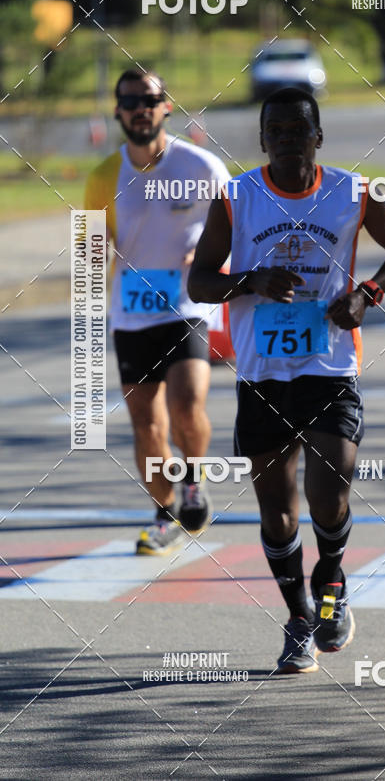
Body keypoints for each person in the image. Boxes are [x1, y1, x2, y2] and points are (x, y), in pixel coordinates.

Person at [188, 86, 385, 673]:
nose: (288, 140)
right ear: (263, 140)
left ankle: (331, 581)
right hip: (262, 374)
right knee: (277, 513)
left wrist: (367, 294)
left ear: (318, 137)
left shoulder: (352, 191)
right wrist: (250, 281)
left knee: (330, 493)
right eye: (277, 132)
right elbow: (199, 283)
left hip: (329, 366)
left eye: (298, 130)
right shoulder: (236, 197)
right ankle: (298, 619)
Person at [85, 68, 230, 555]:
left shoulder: (202, 166)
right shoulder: (103, 177)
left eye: (149, 100)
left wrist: (211, 257)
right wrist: (93, 253)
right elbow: (89, 250)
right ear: (117, 112)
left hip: (188, 305)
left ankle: (194, 479)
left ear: (166, 106)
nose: (139, 110)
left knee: (187, 405)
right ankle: (165, 514)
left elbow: (237, 227)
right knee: (147, 427)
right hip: (132, 311)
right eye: (129, 102)